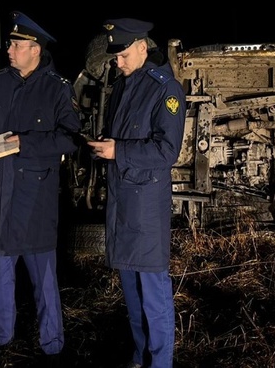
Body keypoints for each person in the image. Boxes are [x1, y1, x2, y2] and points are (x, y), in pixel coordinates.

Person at [0, 12, 81, 368]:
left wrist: (25, 143)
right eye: (10, 43)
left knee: (43, 275)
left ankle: (52, 342)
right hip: (0, 191)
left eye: (16, 45)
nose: (9, 49)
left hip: (34, 197)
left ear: (35, 49)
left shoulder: (56, 88)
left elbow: (70, 137)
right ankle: (2, 338)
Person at [87, 18, 186, 368]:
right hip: (122, 204)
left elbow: (167, 151)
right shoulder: (125, 86)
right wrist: (103, 148)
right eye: (116, 55)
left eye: (124, 54)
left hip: (145, 207)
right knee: (131, 291)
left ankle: (160, 362)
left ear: (143, 48)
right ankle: (139, 355)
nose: (118, 61)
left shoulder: (166, 89)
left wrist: (118, 152)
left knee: (154, 293)